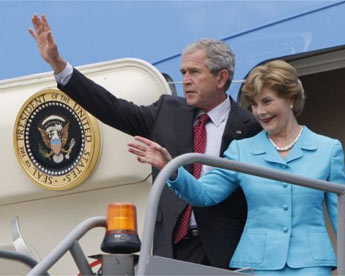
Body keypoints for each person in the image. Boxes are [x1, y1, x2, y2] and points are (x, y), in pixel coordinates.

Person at [28, 14, 262, 268]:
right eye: (183, 72)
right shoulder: (167, 111)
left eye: (194, 72)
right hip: (170, 247)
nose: (185, 80)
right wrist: (59, 66)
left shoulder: (249, 127)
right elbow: (112, 108)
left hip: (225, 252)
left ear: (221, 78)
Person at [128, 60, 345, 275]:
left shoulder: (327, 149)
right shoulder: (241, 150)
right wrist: (171, 168)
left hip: (310, 265)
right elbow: (205, 194)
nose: (260, 112)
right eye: (255, 104)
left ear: (290, 98)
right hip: (256, 264)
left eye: (267, 101)